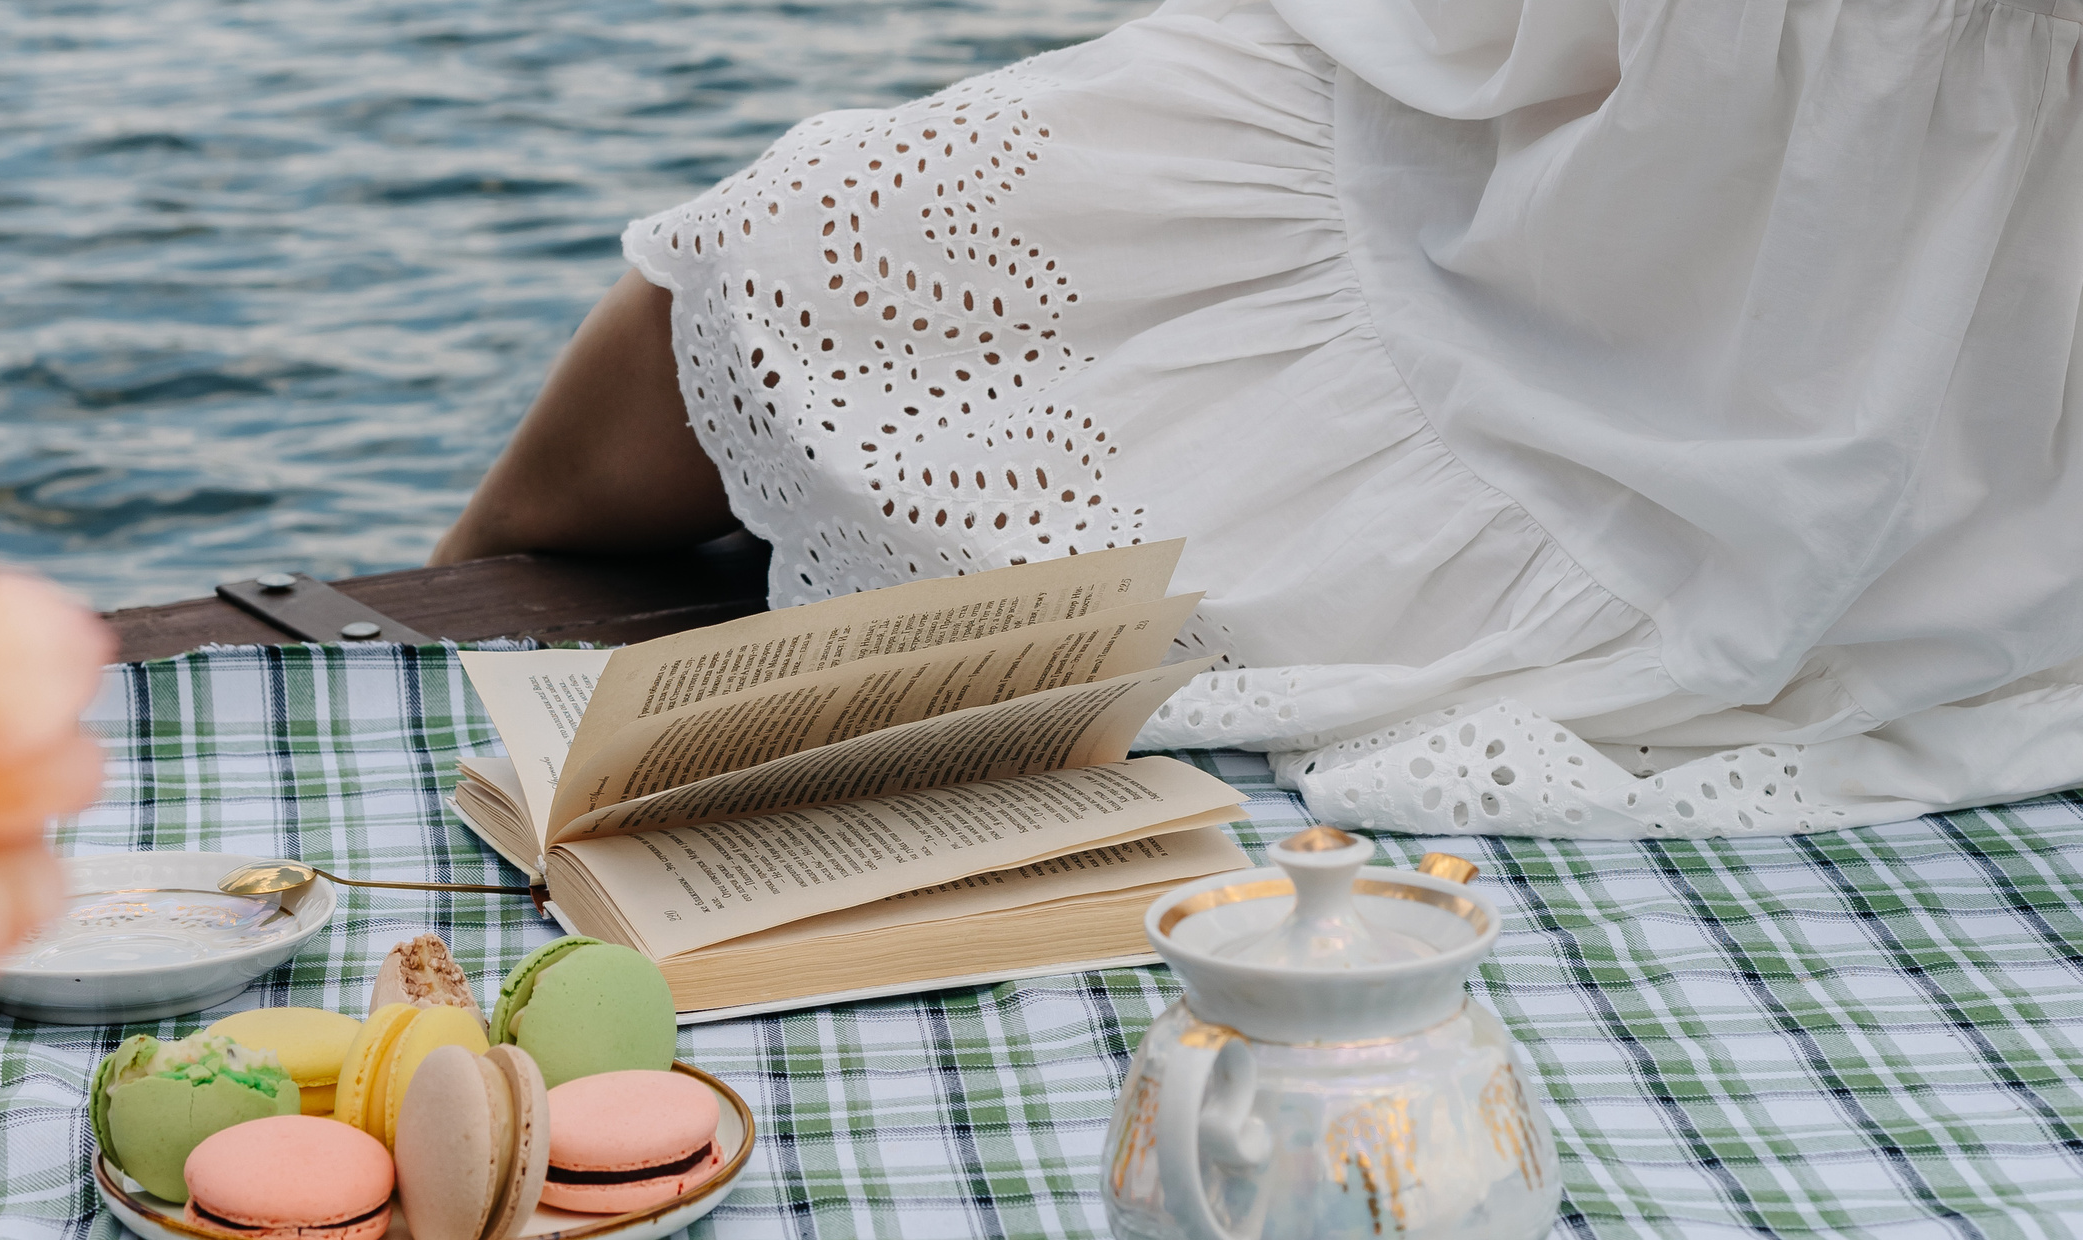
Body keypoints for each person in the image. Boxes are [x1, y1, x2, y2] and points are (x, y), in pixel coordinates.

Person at [433, 0, 2083, 839]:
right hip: (1547, 131)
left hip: (1947, 315)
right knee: (797, 249)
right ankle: (438, 663)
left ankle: (446, 662)